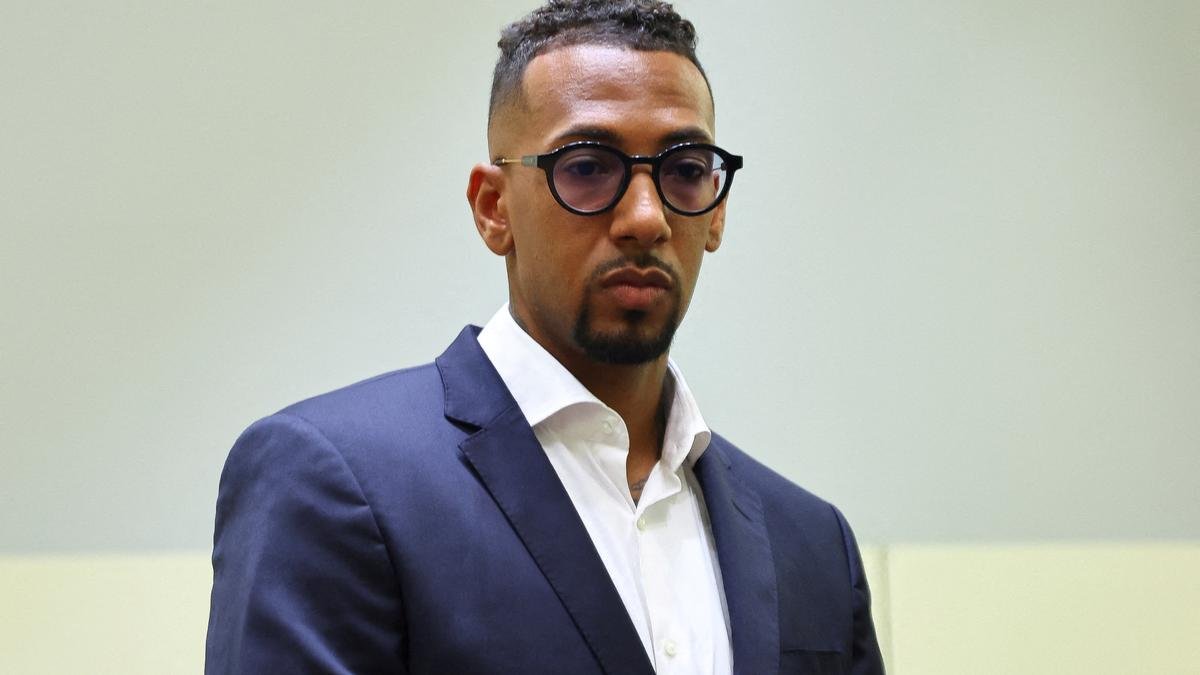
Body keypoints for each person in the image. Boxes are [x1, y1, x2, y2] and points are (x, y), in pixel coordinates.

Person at [205, 1, 885, 673]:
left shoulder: (812, 543)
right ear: (493, 208)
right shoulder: (335, 480)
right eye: (587, 166)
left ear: (717, 212)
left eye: (684, 170)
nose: (645, 218)